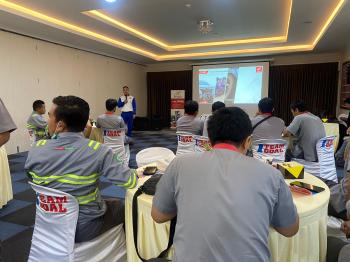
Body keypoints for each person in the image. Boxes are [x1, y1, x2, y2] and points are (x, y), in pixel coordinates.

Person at [152, 107, 299, 261]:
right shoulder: (272, 175)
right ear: (248, 141)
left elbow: (158, 215)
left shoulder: (180, 164)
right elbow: (290, 229)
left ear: (209, 138)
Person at [25, 95, 138, 242]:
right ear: (86, 122)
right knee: (124, 206)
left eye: (49, 116)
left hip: (48, 225)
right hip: (85, 227)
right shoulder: (99, 150)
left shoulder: (36, 149)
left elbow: (31, 177)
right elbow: (129, 182)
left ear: (59, 125)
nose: (47, 120)